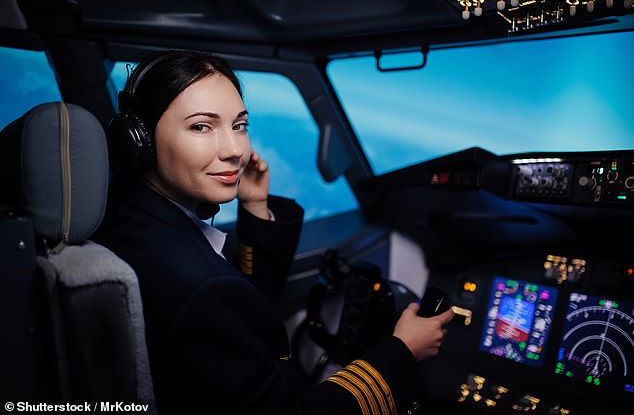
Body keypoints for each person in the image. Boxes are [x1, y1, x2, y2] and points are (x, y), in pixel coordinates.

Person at [97, 49, 454, 415]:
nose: (236, 149)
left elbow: (237, 312)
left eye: (239, 125)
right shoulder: (195, 283)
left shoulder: (129, 223)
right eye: (202, 126)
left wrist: (254, 206)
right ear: (140, 140)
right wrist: (402, 351)